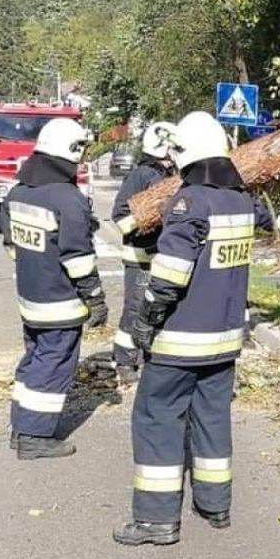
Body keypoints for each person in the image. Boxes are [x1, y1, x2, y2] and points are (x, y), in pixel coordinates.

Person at [114, 111, 280, 546]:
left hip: (181, 341)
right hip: (224, 340)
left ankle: (155, 520)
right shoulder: (238, 201)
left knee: (158, 419)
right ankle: (215, 504)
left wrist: (144, 321)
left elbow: (170, 275)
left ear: (183, 154)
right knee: (212, 419)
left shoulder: (189, 201)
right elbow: (264, 221)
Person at [0, 118, 108, 460]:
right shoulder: (67, 197)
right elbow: (78, 258)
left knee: (34, 360)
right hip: (60, 302)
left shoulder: (17, 192)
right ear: (71, 150)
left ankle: (21, 427)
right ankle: (35, 437)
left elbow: (13, 247)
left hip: (30, 298)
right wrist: (95, 298)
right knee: (54, 365)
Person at [109, 122, 179, 389]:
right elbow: (120, 216)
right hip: (141, 257)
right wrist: (145, 225)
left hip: (164, 256)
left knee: (157, 310)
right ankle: (125, 361)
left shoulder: (173, 173)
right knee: (136, 309)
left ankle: (151, 355)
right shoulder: (141, 175)